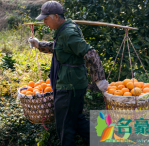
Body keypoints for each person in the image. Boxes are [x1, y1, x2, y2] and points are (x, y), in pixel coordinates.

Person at [28, 1, 108, 145]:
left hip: (69, 87)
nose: (45, 22)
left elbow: (90, 53)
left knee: (65, 127)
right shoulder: (64, 30)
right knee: (76, 120)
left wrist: (99, 79)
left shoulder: (68, 33)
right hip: (73, 84)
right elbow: (59, 48)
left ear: (56, 17)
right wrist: (39, 44)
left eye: (46, 19)